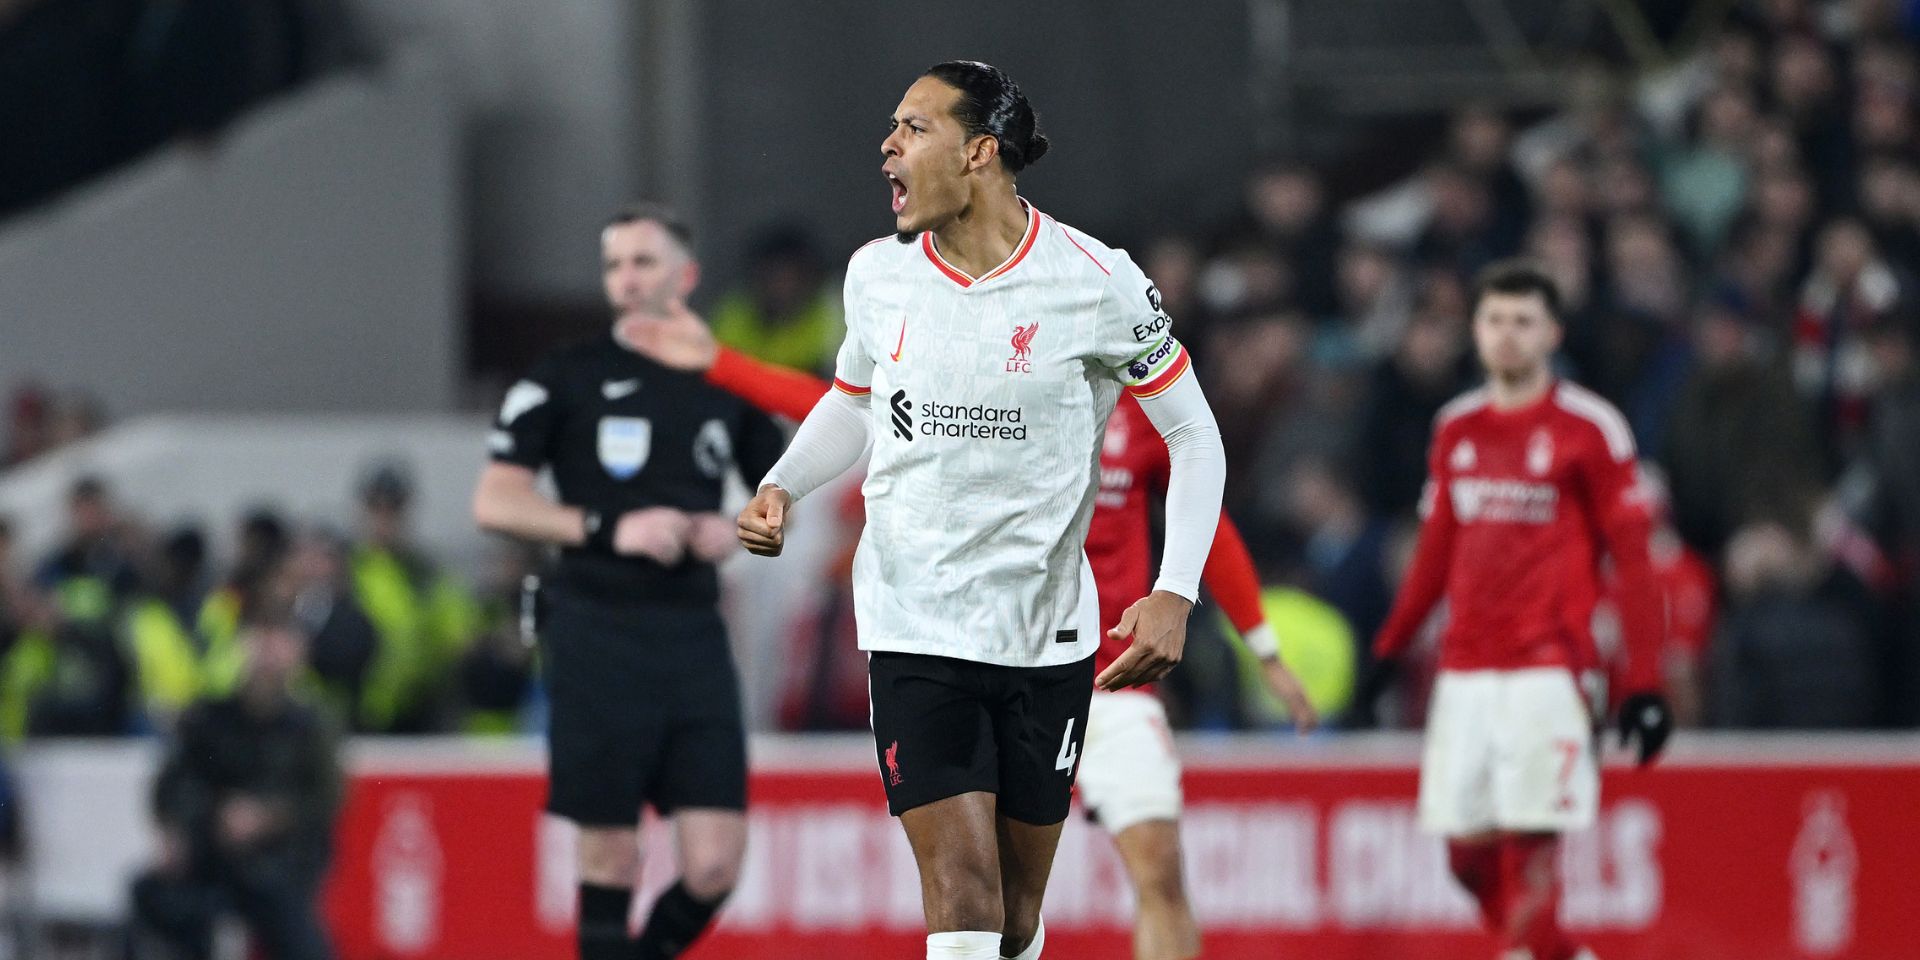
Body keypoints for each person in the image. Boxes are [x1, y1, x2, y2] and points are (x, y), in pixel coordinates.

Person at [625, 291, 1315, 960]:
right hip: (995, 659)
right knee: (999, 910)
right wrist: (721, 365)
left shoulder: (1138, 411)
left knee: (1158, 867)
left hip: (1111, 674)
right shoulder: (987, 392)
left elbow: (1210, 521)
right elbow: (847, 405)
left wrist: (1262, 646)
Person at [735, 62, 1227, 960]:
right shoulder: (876, 275)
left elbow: (1194, 434)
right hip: (915, 624)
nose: (887, 145)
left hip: (1048, 633)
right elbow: (853, 401)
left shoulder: (1095, 281)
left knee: (1015, 917)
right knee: (962, 893)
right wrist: (782, 483)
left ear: (979, 153)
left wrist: (1176, 591)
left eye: (913, 128)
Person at [471, 202, 785, 960]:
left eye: (644, 261)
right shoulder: (565, 375)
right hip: (595, 629)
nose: (627, 279)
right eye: (614, 265)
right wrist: (610, 528)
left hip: (693, 635)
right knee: (611, 852)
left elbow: (780, 494)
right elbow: (495, 501)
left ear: (687, 275)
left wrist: (736, 530)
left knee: (714, 864)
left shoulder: (725, 379)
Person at [1353, 261, 1674, 960]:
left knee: (1530, 857)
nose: (1507, 335)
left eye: (1524, 321)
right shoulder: (1455, 428)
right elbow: (1435, 555)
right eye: (1495, 320)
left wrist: (1645, 684)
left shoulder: (1590, 429)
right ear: (1475, 330)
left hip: (1549, 670)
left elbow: (1635, 564)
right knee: (1466, 858)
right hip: (1465, 670)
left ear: (1552, 333)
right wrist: (1390, 648)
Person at [131, 602, 343, 960]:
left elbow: (325, 797)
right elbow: (173, 782)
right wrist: (177, 828)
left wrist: (267, 817)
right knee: (152, 898)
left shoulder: (310, 726)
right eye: (260, 638)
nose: (268, 655)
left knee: (297, 934)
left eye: (278, 640)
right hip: (210, 856)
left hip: (282, 861)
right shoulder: (211, 717)